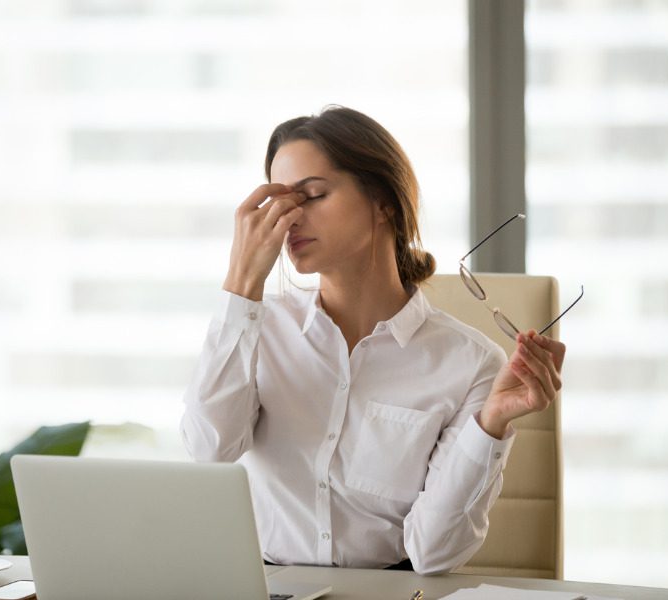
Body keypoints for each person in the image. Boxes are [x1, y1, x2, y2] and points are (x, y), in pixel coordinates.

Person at [180, 106, 566, 575]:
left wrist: (490, 426)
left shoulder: (471, 363)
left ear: (384, 201)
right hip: (266, 585)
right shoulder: (256, 328)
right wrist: (241, 283)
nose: (289, 222)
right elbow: (210, 449)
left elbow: (432, 554)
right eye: (280, 204)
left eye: (313, 195)